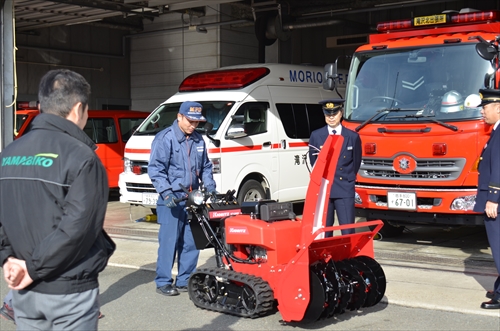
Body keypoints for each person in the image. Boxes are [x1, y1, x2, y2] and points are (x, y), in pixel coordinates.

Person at [0, 69, 115, 330]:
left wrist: (8, 259)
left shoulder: (9, 153)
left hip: (24, 288)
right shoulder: (82, 157)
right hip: (68, 289)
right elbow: (78, 229)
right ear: (78, 109)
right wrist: (32, 268)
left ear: (41, 106)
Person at [148, 101, 216, 296]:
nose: (193, 126)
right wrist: (166, 192)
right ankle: (163, 281)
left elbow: (205, 167)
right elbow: (156, 169)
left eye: (197, 122)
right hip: (172, 199)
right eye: (190, 121)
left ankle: (184, 279)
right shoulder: (165, 139)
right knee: (169, 242)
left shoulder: (198, 140)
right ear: (179, 116)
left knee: (191, 241)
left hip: (193, 199)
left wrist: (210, 187)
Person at [309, 99, 362, 236]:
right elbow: (314, 162)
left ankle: (348, 257)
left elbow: (355, 162)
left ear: (341, 113)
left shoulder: (352, 137)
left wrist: (347, 179)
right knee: (325, 229)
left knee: (347, 229)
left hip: (344, 187)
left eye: (334, 113)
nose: (331, 117)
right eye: (328, 114)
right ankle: (328, 257)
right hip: (324, 188)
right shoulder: (316, 136)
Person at [473, 88, 500, 310]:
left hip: (496, 202)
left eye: (485, 107)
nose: (483, 112)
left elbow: (498, 168)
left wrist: (493, 198)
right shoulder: (496, 131)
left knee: (499, 248)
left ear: (498, 108)